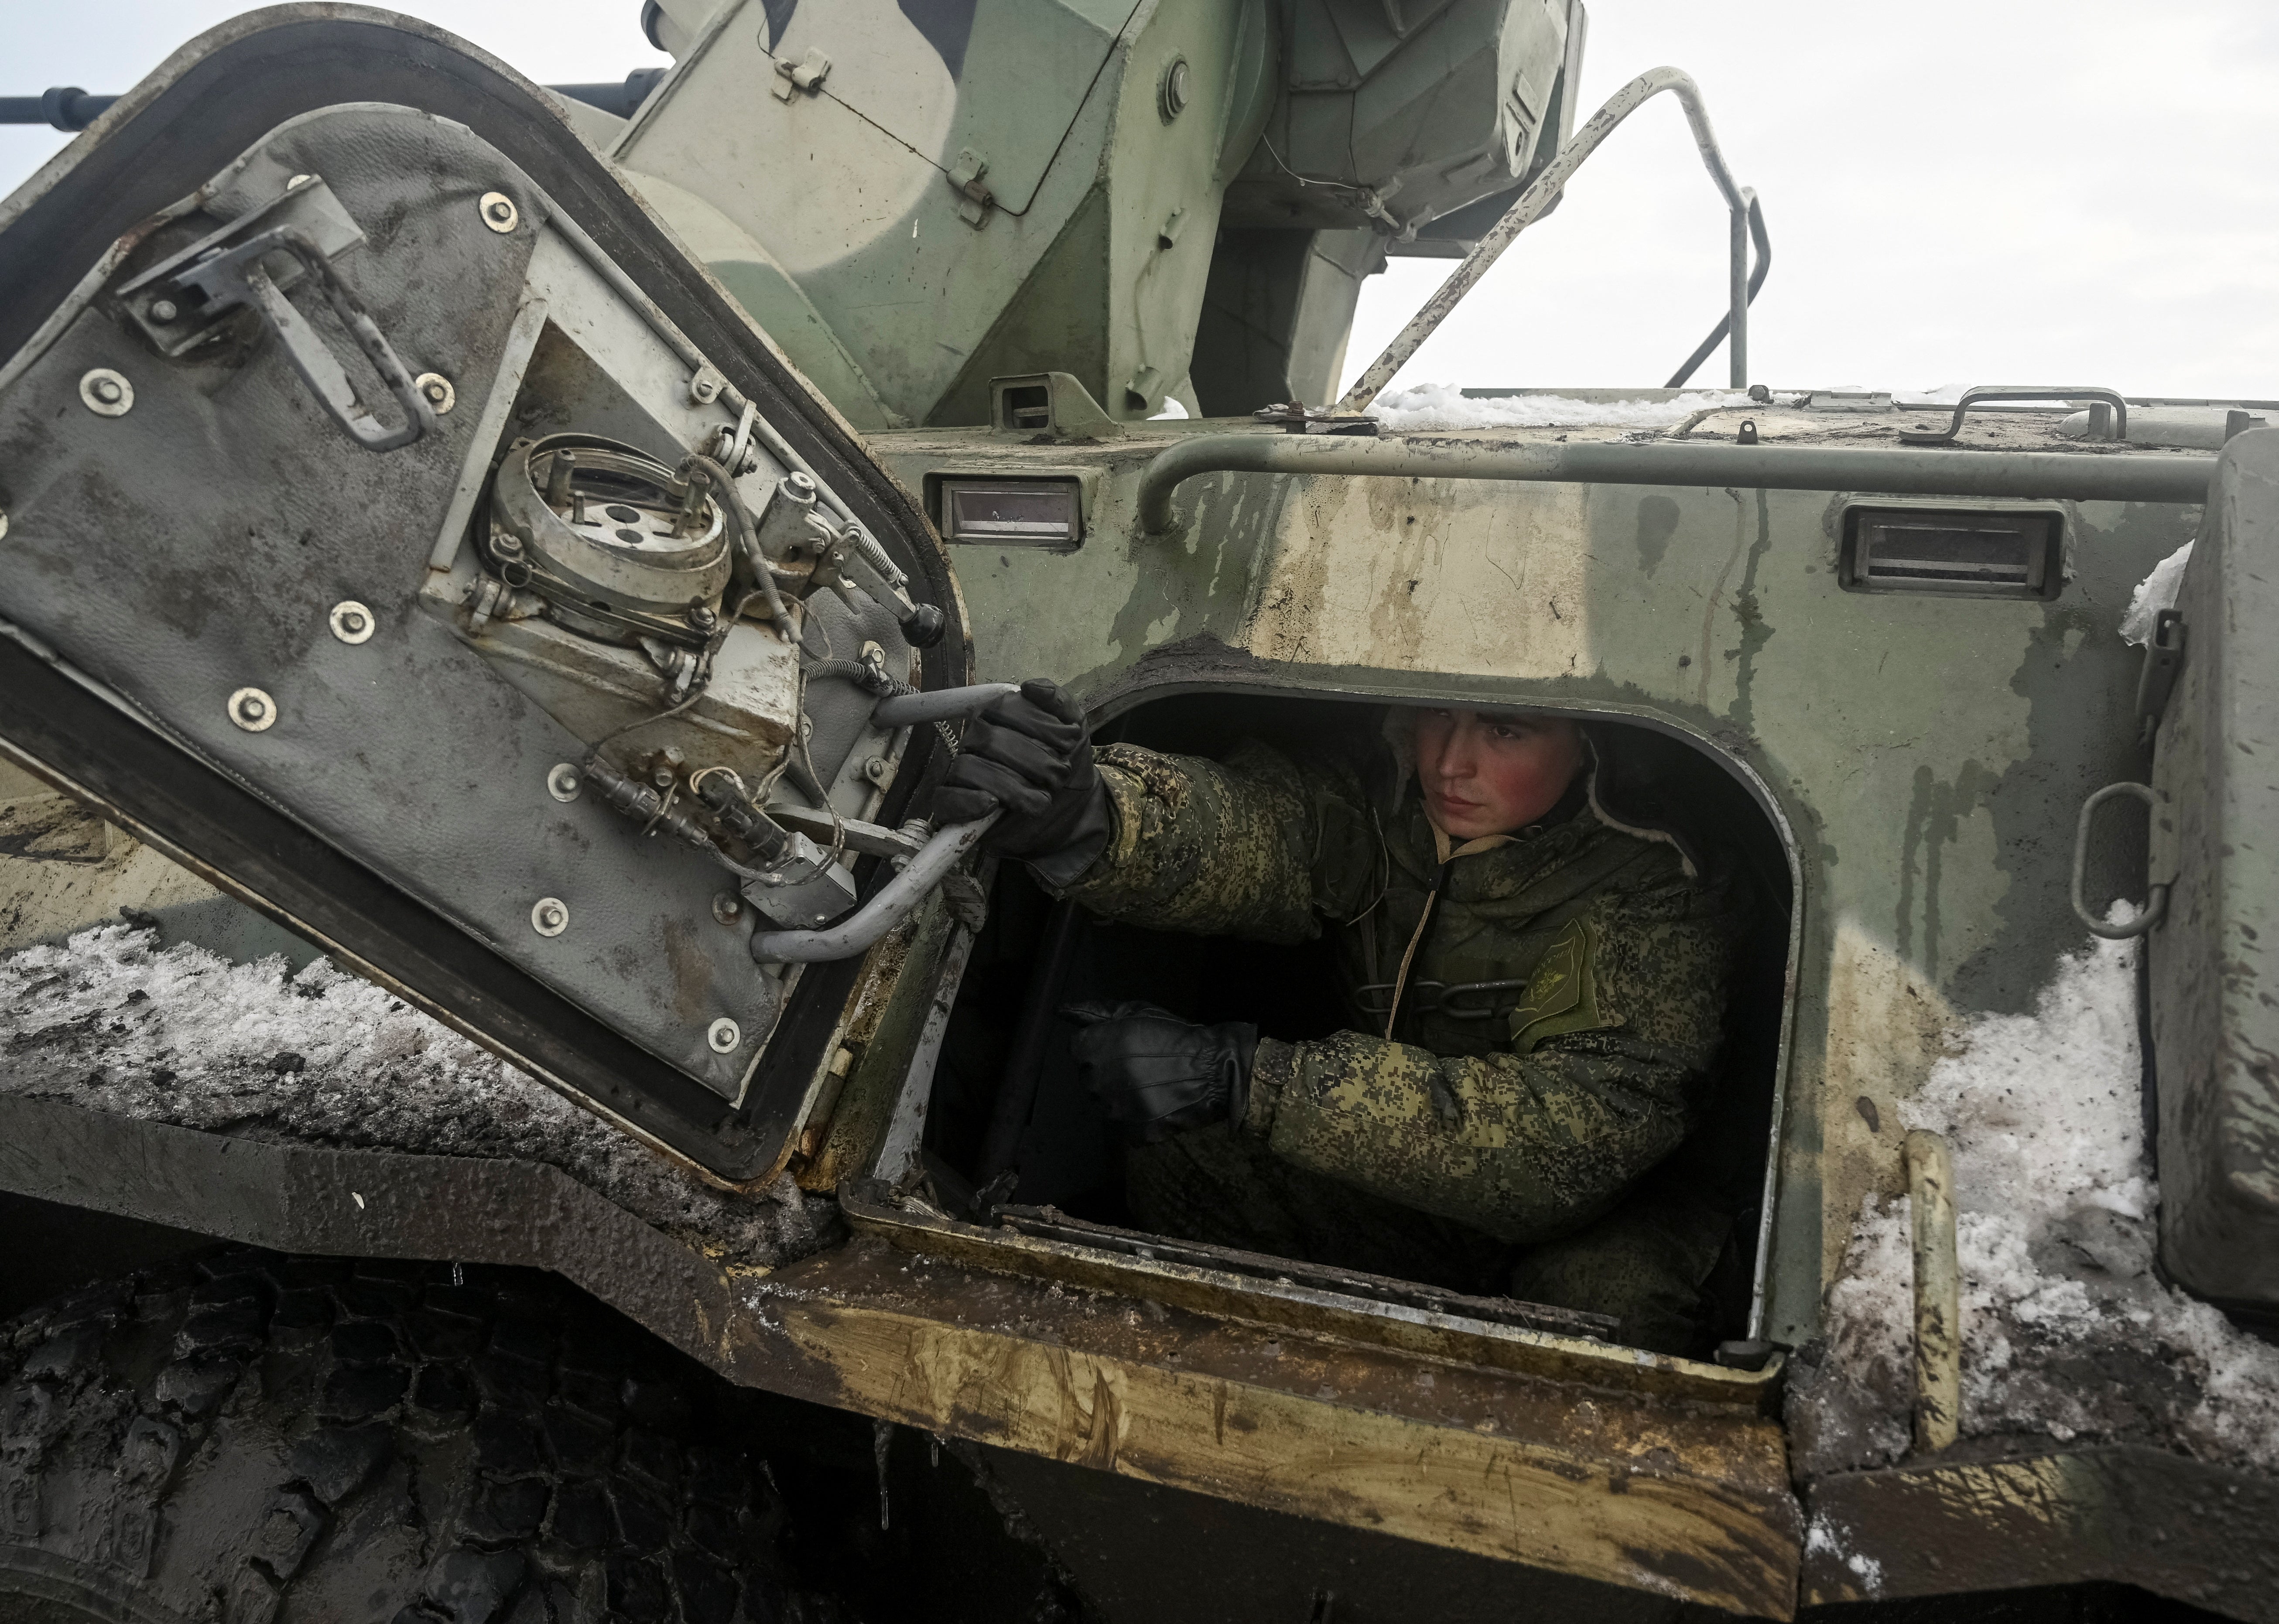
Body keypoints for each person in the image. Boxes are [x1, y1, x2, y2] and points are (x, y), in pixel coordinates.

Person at [932, 681, 1751, 1354]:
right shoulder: (1390, 806)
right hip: (1427, 1186)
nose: (1450, 762)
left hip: (1614, 1216)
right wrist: (1097, 819)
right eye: (1440, 711)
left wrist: (1260, 1080)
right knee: (1185, 1161)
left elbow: (1576, 1147)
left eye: (1505, 730)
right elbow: (1264, 830)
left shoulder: (1657, 885)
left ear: (1591, 749)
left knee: (1609, 1315)